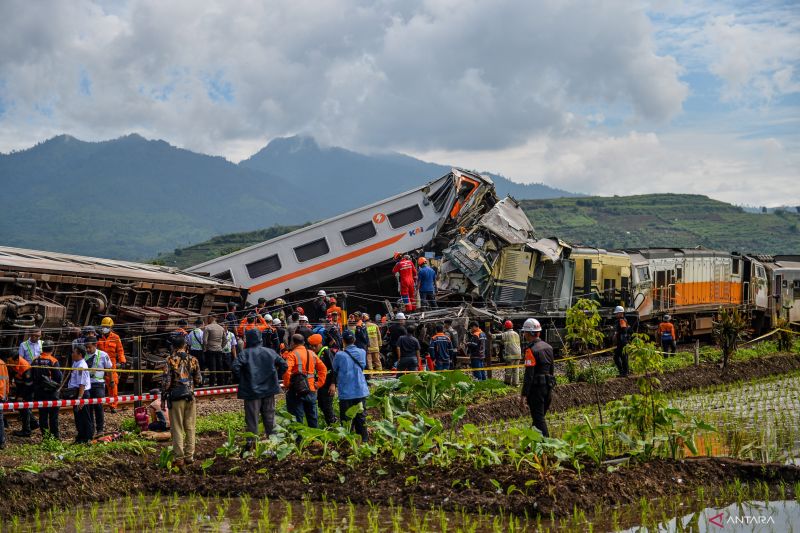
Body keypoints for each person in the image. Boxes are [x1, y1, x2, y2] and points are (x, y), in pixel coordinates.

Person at [233, 329, 288, 446]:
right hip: (269, 390)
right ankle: (274, 444)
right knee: (270, 418)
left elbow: (235, 368)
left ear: (248, 339)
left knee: (252, 420)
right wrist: (276, 377)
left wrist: (243, 379)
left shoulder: (244, 354)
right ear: (260, 339)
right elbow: (284, 365)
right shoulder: (270, 352)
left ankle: (252, 446)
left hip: (251, 392)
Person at [161, 336, 203, 468]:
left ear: (173, 347)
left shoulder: (169, 360)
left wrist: (163, 398)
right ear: (185, 345)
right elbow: (199, 380)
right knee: (190, 427)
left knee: (177, 428)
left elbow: (166, 383)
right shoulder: (193, 359)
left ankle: (179, 458)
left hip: (176, 398)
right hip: (190, 397)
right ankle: (189, 456)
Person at [519, 318, 555, 437]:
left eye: (525, 332)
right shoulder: (548, 347)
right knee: (538, 419)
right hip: (548, 387)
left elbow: (529, 375)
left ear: (528, 334)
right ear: (538, 332)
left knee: (539, 419)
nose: (524, 334)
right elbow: (551, 370)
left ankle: (548, 444)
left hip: (536, 390)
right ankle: (531, 442)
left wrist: (524, 395)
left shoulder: (531, 350)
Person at [282, 334, 327, 428]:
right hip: (311, 389)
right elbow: (323, 369)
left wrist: (287, 384)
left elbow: (286, 371)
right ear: (303, 342)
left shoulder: (292, 355)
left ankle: (299, 440)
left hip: (296, 390)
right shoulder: (312, 353)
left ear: (293, 343)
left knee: (297, 418)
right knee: (312, 417)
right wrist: (319, 383)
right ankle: (315, 439)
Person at [333, 330, 369, 441]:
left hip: (346, 391)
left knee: (346, 419)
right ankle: (364, 440)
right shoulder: (362, 352)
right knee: (361, 417)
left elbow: (334, 369)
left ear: (343, 341)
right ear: (354, 340)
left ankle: (347, 441)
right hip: (360, 390)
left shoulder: (339, 355)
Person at [31, 340, 63, 439]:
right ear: (52, 349)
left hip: (39, 392)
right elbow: (58, 378)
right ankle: (55, 437)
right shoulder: (53, 361)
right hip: (52, 392)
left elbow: (32, 375)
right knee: (53, 416)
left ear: (43, 348)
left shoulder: (35, 360)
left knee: (43, 415)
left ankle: (45, 437)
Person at [84, 335, 112, 436]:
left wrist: (111, 381)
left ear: (95, 345)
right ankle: (91, 430)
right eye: (86, 347)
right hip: (87, 385)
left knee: (99, 407)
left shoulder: (103, 355)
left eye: (89, 347)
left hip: (99, 384)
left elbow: (109, 369)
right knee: (89, 407)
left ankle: (100, 429)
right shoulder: (84, 355)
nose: (87, 349)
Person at [98, 317, 126, 413]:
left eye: (107, 326)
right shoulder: (99, 338)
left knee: (113, 385)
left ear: (111, 327)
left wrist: (122, 361)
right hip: (100, 366)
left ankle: (113, 406)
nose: (104, 328)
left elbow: (120, 350)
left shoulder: (115, 337)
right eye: (103, 326)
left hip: (111, 366)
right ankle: (98, 405)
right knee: (98, 386)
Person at [309, 333, 337, 426]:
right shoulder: (316, 353)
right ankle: (331, 423)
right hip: (321, 384)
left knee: (327, 406)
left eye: (315, 346)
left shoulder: (327, 352)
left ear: (320, 344)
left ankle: (333, 425)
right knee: (321, 404)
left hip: (328, 384)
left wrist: (333, 384)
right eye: (311, 346)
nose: (313, 348)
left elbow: (334, 369)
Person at [69, 344, 93, 444]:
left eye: (74, 352)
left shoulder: (81, 366)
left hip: (82, 394)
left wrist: (80, 398)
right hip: (78, 393)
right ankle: (80, 437)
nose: (72, 354)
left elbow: (82, 384)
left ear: (79, 354)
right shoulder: (76, 363)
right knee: (78, 417)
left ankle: (87, 438)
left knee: (84, 417)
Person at [9, 351, 34, 437]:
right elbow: (11, 373)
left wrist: (21, 396)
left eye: (10, 361)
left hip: (27, 390)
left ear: (16, 360)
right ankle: (33, 424)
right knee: (20, 407)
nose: (8, 363)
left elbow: (29, 386)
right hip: (21, 388)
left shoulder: (25, 367)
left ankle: (26, 431)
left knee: (24, 409)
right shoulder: (13, 364)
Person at [202, 314, 226, 386]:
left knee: (212, 368)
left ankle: (212, 384)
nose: (207, 320)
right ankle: (220, 383)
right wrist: (221, 346)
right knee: (220, 367)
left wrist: (205, 349)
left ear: (211, 318)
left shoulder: (207, 327)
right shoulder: (221, 328)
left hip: (210, 350)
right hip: (219, 350)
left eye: (208, 318)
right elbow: (225, 340)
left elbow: (204, 341)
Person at [501, 320, 522, 386]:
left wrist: (490, 334)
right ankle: (516, 383)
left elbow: (496, 337)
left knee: (509, 370)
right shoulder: (516, 334)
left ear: (505, 327)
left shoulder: (506, 334)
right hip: (518, 354)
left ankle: (507, 383)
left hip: (511, 355)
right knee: (516, 370)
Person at [613, 306, 630, 377]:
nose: (616, 315)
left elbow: (624, 329)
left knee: (622, 357)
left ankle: (624, 372)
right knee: (618, 357)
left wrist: (616, 333)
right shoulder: (622, 320)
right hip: (621, 342)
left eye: (617, 313)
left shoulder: (621, 320)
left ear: (621, 313)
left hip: (622, 342)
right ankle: (623, 371)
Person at [0, 355, 8, 448]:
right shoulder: (2, 363)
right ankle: (1, 441)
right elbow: (6, 380)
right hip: (1, 394)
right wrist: (6, 394)